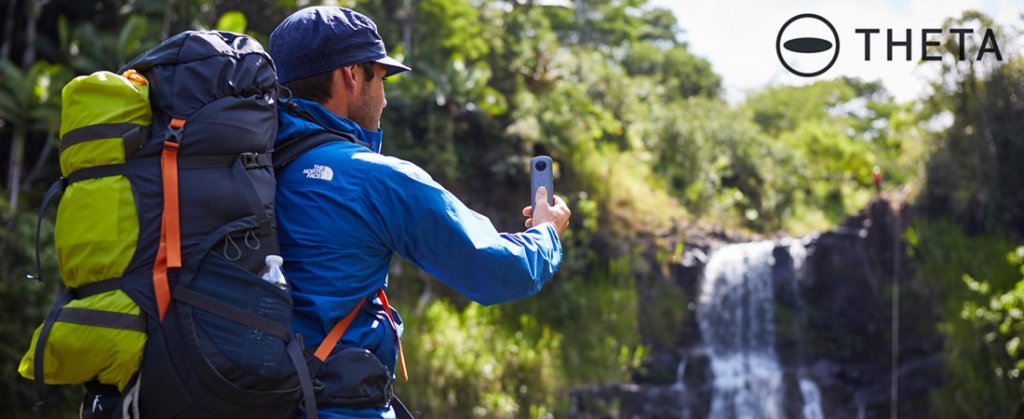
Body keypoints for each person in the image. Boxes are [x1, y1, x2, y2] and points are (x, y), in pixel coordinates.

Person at [268, 7, 572, 418]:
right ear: (350, 76)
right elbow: (498, 270)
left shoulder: (248, 165)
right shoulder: (375, 179)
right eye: (381, 77)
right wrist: (546, 232)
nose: (386, 97)